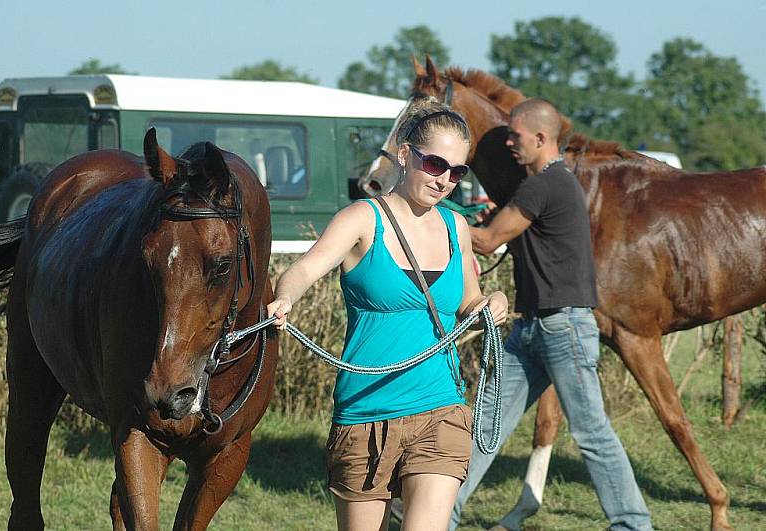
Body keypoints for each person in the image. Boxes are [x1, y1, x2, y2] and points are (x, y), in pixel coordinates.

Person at [267, 101, 509, 531]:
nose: (444, 180)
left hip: (440, 406)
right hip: (365, 412)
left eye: (457, 172)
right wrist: (285, 298)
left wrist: (490, 302)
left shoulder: (457, 229)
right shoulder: (363, 218)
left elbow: (470, 300)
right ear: (405, 154)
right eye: (435, 164)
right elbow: (303, 269)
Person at [450, 98, 653, 531]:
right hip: (530, 329)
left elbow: (485, 242)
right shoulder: (551, 185)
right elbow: (516, 234)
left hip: (563, 329)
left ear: (541, 138)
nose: (508, 143)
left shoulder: (544, 185)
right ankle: (437, 517)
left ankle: (633, 525)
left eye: (515, 136)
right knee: (485, 426)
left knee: (592, 434)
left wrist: (428, 220)